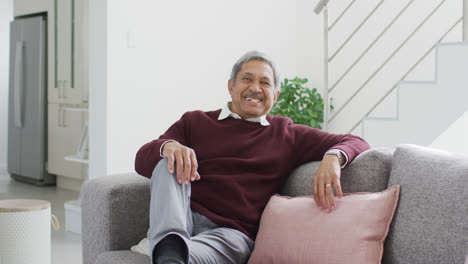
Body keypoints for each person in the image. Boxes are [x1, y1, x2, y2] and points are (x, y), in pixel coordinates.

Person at [135, 51, 370, 264]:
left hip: (230, 235)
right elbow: (142, 160)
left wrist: (332, 157)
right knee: (167, 159)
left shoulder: (287, 134)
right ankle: (170, 246)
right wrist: (169, 146)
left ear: (275, 95)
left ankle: (169, 253)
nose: (255, 88)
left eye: (265, 82)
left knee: (182, 256)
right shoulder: (194, 121)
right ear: (231, 86)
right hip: (182, 217)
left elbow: (356, 141)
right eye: (247, 79)